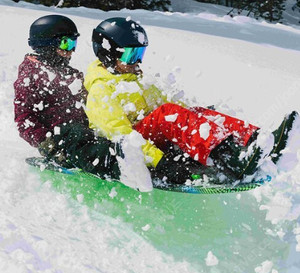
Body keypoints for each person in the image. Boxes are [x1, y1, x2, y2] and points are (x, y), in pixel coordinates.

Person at [84, 17, 298, 184]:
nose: (137, 62)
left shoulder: (133, 78)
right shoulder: (101, 89)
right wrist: (160, 162)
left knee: (195, 111)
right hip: (131, 150)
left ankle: (255, 141)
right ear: (108, 53)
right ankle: (228, 158)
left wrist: (199, 118)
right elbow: (122, 135)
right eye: (131, 55)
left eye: (140, 54)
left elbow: (177, 111)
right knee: (167, 113)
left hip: (151, 139)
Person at [14, 15, 124, 180]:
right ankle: (122, 170)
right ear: (46, 44)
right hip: (62, 140)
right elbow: (24, 118)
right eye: (66, 43)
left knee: (110, 139)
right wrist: (46, 144)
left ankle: (137, 162)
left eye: (74, 44)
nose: (71, 50)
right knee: (83, 137)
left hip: (85, 135)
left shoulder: (71, 74)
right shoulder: (31, 75)